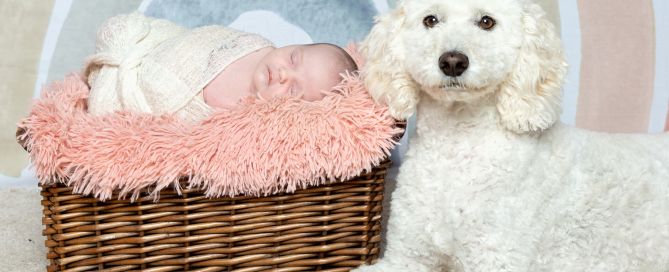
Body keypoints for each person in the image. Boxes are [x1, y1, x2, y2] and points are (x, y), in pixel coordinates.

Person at [83, 13, 357, 122]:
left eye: (294, 89)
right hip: (155, 48)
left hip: (143, 92)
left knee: (106, 108)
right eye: (294, 58)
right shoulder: (253, 43)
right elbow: (198, 38)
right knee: (121, 27)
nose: (284, 74)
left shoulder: (248, 118)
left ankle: (119, 78)